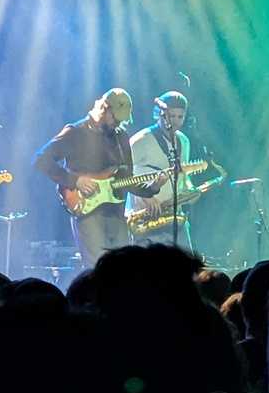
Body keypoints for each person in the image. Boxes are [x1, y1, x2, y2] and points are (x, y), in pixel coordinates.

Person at [34, 88, 165, 269]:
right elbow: (41, 160)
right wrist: (75, 180)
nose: (118, 124)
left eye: (121, 121)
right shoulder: (75, 132)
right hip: (88, 210)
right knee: (97, 268)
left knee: (123, 267)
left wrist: (153, 188)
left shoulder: (121, 137)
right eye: (115, 119)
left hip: (116, 211)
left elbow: (127, 179)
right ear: (104, 108)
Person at [126, 91, 197, 250]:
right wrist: (146, 196)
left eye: (180, 117)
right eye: (171, 116)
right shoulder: (141, 139)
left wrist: (190, 190)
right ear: (158, 114)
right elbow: (124, 176)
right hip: (145, 217)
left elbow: (183, 174)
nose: (175, 121)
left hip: (174, 217)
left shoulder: (183, 141)